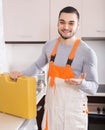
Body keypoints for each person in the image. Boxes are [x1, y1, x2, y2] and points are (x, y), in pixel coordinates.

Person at [10, 6, 98, 130]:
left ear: (78, 25)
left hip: (73, 115)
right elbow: (37, 66)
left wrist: (81, 83)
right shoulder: (49, 46)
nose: (66, 27)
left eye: (71, 23)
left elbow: (94, 87)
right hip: (52, 112)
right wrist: (20, 74)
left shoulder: (87, 52)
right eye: (62, 22)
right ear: (57, 23)